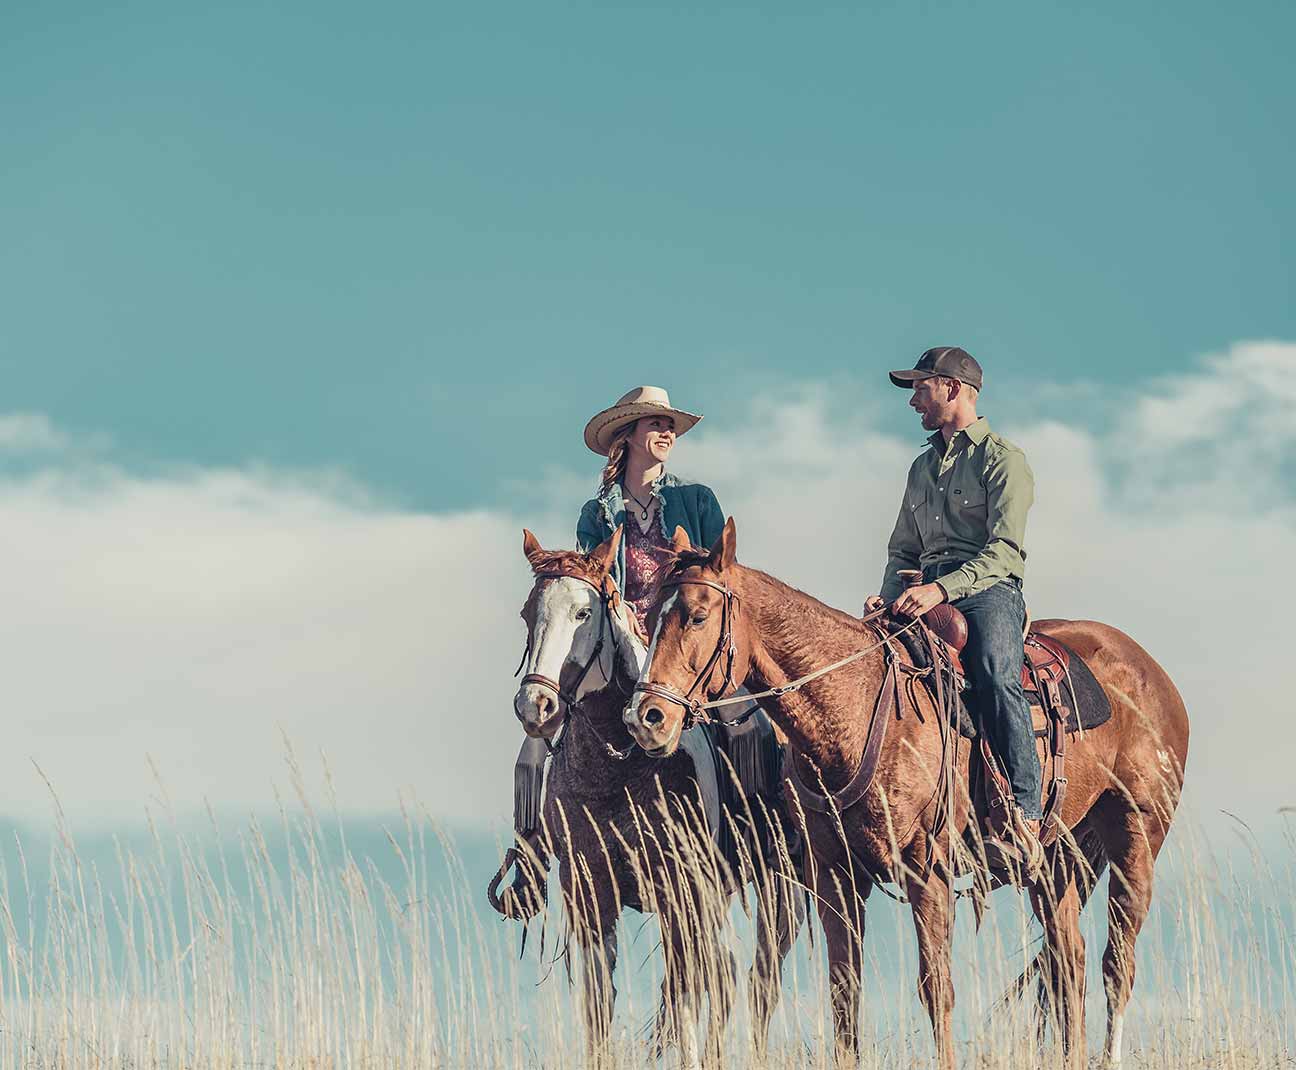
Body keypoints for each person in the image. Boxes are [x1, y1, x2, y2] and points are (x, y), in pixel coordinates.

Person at [510, 386, 728, 859]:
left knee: (742, 722)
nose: (667, 431)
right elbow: (590, 583)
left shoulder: (698, 500)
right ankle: (528, 857)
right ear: (628, 435)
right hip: (619, 635)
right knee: (539, 734)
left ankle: (757, 835)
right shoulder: (597, 513)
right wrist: (620, 609)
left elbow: (719, 577)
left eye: (670, 425)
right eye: (656, 423)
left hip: (685, 638)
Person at [863, 347, 1043, 879]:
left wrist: (941, 592)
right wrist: (886, 593)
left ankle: (1024, 814)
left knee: (993, 672)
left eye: (921, 388)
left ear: (953, 389)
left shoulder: (1003, 459)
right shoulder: (921, 468)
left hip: (987, 589)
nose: (914, 400)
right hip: (921, 591)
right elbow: (902, 550)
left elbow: (1005, 551)